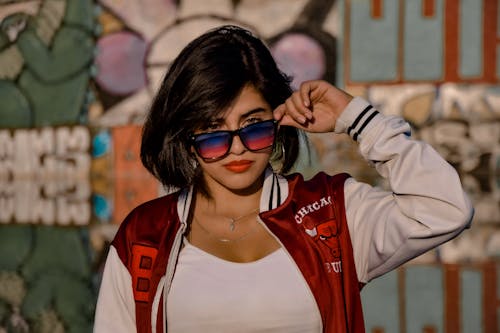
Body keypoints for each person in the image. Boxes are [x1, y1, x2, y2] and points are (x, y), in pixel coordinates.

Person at [93, 25, 473, 333]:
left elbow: (444, 210)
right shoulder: (145, 236)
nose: (238, 148)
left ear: (278, 121)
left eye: (254, 126)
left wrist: (358, 119)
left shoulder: (333, 216)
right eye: (213, 132)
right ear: (187, 140)